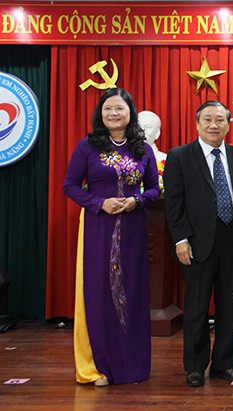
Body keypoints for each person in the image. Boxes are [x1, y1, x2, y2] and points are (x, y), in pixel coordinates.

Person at [63, 88, 161, 386]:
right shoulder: (87, 147)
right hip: (99, 229)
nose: (114, 114)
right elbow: (70, 185)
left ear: (130, 112)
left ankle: (132, 365)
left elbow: (155, 189)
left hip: (132, 230)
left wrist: (137, 202)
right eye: (108, 109)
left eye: (119, 108)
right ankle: (99, 366)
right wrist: (99, 203)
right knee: (100, 292)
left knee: (131, 294)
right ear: (100, 114)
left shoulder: (142, 149)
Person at [163, 100, 233, 387]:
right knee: (197, 307)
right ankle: (195, 366)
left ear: (229, 124)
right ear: (197, 124)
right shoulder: (179, 156)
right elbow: (173, 203)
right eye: (207, 119)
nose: (213, 125)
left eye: (220, 120)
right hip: (196, 241)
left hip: (232, 239)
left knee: (229, 305)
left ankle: (225, 364)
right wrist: (180, 239)